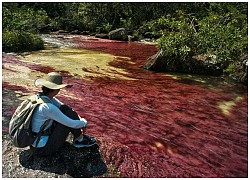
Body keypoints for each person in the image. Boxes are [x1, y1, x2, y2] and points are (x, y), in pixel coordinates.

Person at [30, 72, 96, 156]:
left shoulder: (40, 97)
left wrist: (78, 118)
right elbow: (72, 124)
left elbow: (64, 107)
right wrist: (84, 122)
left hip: (35, 143)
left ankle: (79, 138)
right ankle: (80, 140)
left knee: (66, 109)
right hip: (43, 149)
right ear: (56, 89)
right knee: (68, 116)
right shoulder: (48, 107)